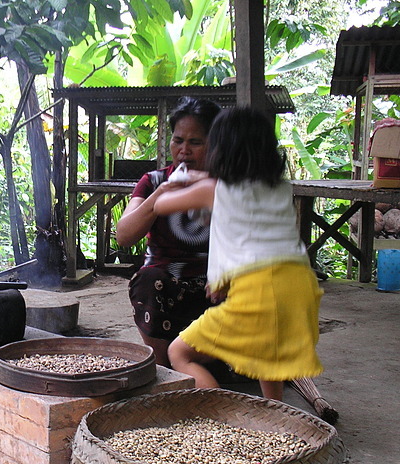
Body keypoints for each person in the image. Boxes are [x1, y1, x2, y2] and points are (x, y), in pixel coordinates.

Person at [152, 106, 324, 401]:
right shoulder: (280, 188)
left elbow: (160, 207)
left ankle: (227, 416)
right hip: (300, 284)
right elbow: (247, 236)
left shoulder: (213, 188)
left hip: (259, 291)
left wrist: (177, 183)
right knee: (268, 362)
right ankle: (272, 417)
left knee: (179, 353)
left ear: (220, 150)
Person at [116, 97, 221, 366]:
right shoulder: (153, 182)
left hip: (214, 288)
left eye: (195, 142)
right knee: (148, 280)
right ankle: (164, 370)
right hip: (165, 287)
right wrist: (160, 196)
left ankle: (209, 357)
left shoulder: (227, 185)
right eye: (178, 141)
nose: (184, 150)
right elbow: (124, 236)